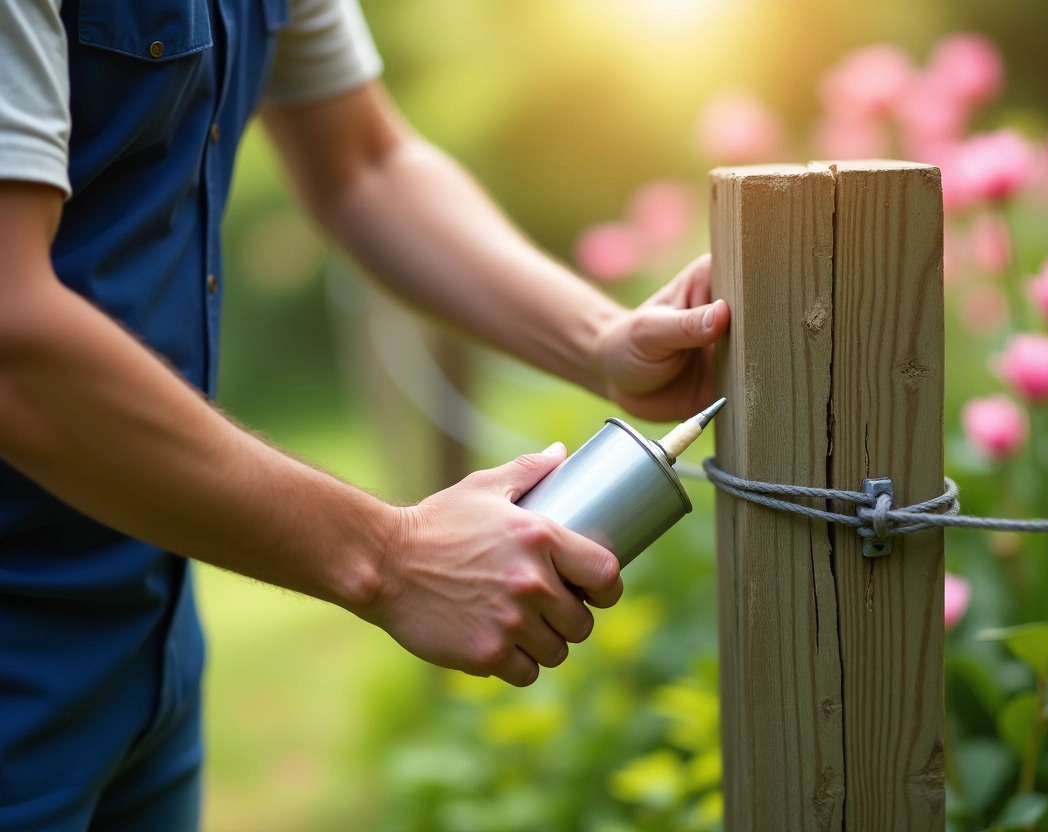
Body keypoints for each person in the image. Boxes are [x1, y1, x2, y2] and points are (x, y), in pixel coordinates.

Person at [0, 0, 730, 829]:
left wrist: (602, 341)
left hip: (148, 617)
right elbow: (10, 337)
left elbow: (365, 162)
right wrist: (390, 558)